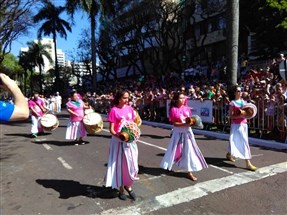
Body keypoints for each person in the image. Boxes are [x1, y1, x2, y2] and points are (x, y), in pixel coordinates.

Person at [160, 92, 208, 181]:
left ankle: (189, 172)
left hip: (188, 133)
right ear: (176, 99)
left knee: (189, 152)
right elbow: (175, 123)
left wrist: (193, 123)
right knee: (173, 151)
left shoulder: (187, 109)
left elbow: (191, 120)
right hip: (178, 133)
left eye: (183, 98)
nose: (183, 100)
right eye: (180, 98)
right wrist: (184, 124)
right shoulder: (173, 109)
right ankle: (168, 166)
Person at [104, 89, 139, 201]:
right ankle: (121, 189)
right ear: (119, 98)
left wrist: (132, 134)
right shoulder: (114, 110)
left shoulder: (130, 109)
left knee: (132, 164)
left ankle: (128, 185)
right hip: (118, 141)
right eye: (124, 98)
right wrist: (120, 136)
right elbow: (112, 130)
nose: (127, 100)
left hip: (129, 142)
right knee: (119, 164)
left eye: (128, 97)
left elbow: (132, 124)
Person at [226, 85, 257, 171]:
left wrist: (247, 114)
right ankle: (248, 163)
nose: (240, 92)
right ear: (234, 93)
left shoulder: (244, 102)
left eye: (241, 91)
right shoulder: (232, 103)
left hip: (243, 124)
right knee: (234, 140)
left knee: (243, 141)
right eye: (238, 91)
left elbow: (249, 113)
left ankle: (229, 154)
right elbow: (231, 116)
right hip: (236, 125)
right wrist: (240, 115)